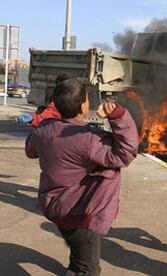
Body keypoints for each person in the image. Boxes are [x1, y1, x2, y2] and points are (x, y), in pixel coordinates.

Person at [25, 78, 139, 275]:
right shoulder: (90, 139)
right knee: (89, 268)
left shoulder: (44, 130)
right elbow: (125, 153)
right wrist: (118, 116)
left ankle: (74, 267)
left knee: (78, 252)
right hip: (80, 214)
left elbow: (30, 150)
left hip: (54, 207)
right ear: (83, 105)